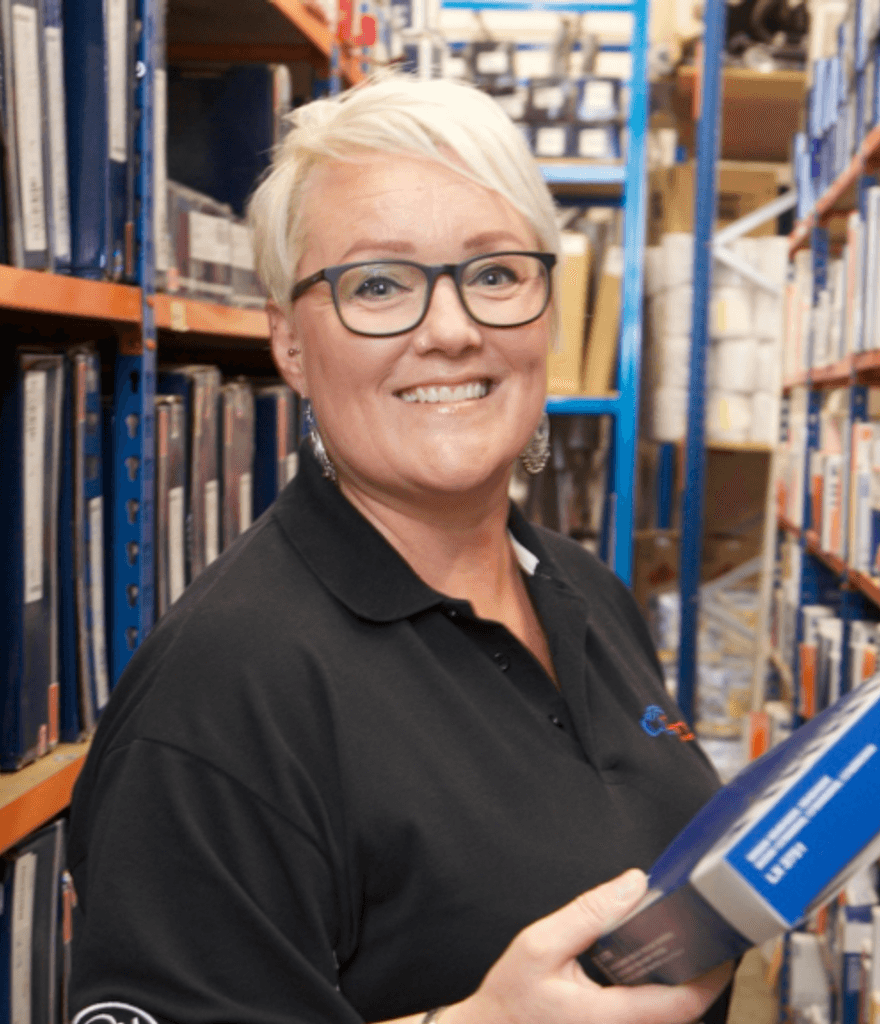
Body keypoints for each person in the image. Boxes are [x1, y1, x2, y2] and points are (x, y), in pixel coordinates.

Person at [67, 73, 734, 1024]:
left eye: (496, 273)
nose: (454, 330)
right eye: (378, 285)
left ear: (548, 310)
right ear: (290, 344)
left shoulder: (585, 591)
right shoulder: (223, 691)